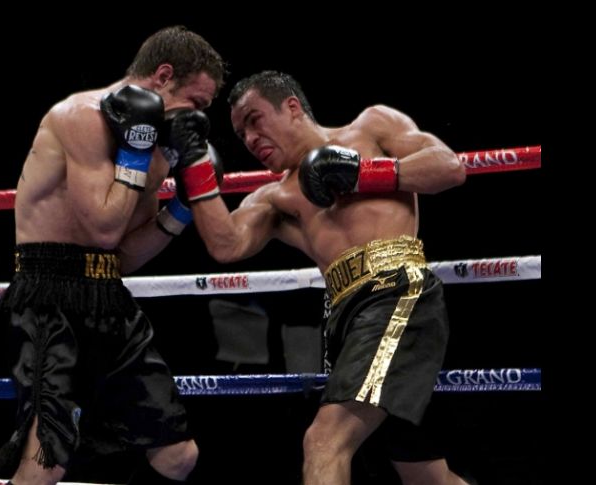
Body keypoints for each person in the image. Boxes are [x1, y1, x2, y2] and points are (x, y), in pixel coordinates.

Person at [167, 70, 469, 484]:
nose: (250, 139)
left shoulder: (371, 125)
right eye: (241, 135)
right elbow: (227, 244)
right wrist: (195, 169)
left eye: (254, 120)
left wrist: (363, 174)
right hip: (345, 318)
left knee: (325, 441)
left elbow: (448, 167)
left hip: (395, 293)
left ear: (291, 107)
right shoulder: (274, 196)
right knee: (424, 475)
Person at [0, 26, 226, 485]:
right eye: (196, 104)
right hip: (48, 295)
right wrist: (137, 152)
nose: (197, 120)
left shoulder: (157, 149)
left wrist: (181, 209)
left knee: (178, 456)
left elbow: (122, 254)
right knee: (46, 461)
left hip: (108, 295)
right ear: (163, 76)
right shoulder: (81, 116)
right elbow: (102, 227)